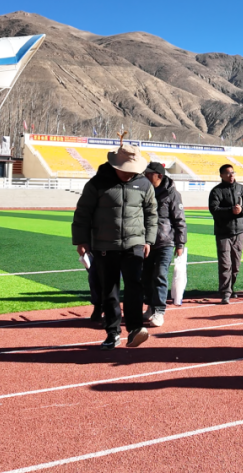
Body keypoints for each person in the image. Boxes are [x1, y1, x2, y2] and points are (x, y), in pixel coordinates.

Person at [72, 140, 158, 350]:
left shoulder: (144, 184)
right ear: (116, 166)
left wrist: (148, 240)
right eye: (126, 170)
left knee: (134, 287)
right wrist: (81, 241)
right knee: (109, 290)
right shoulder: (96, 184)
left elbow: (151, 214)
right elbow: (82, 213)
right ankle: (112, 333)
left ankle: (135, 329)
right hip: (105, 245)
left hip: (134, 244)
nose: (130, 174)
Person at [142, 161, 187, 328]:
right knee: (146, 277)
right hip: (146, 242)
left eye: (149, 174)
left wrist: (180, 244)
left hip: (165, 242)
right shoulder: (144, 191)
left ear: (159, 176)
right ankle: (150, 306)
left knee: (160, 275)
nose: (145, 176)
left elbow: (179, 220)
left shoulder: (172, 194)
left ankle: (160, 311)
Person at [208, 164, 243, 304]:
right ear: (221, 175)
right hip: (223, 233)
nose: (231, 175)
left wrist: (242, 210)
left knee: (236, 265)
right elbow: (214, 209)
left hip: (238, 232)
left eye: (233, 172)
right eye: (228, 173)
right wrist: (230, 210)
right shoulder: (216, 191)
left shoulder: (241, 189)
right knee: (225, 264)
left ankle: (230, 287)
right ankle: (225, 292)